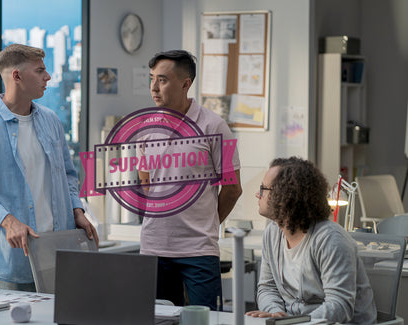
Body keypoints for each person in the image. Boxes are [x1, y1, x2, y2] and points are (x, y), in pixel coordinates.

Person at [0, 44, 98, 291]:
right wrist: (7, 220)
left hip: (60, 255)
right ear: (16, 76)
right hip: (16, 259)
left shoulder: (51, 121)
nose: (48, 77)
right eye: (40, 71)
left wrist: (77, 210)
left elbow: (68, 175)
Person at [139, 50, 242, 310]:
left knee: (207, 319)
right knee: (158, 319)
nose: (154, 87)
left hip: (199, 250)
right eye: (151, 79)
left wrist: (206, 222)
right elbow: (146, 182)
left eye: (162, 80)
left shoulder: (216, 127)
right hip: (154, 248)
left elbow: (232, 188)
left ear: (186, 84)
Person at [246, 157, 376, 324]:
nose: (258, 194)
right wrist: (275, 314)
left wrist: (296, 322)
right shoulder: (272, 233)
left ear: (285, 196)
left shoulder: (331, 239)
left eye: (263, 189)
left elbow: (339, 305)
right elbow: (267, 288)